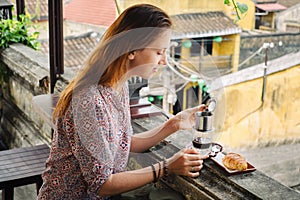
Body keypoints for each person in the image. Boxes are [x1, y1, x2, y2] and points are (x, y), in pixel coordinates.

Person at [37, 4, 208, 200]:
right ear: (132, 51)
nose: (165, 61)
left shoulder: (119, 86)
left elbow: (123, 144)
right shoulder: (89, 100)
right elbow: (102, 184)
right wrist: (167, 167)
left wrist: (174, 123)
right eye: (159, 52)